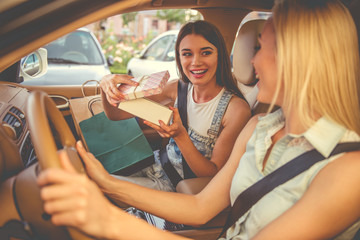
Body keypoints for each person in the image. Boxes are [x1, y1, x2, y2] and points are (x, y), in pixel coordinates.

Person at [37, 0, 360, 239]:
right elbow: (201, 207)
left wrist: (107, 219)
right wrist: (108, 184)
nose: (251, 59)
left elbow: (204, 189)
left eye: (262, 47)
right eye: (186, 54)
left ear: (299, 58)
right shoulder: (260, 127)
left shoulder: (349, 170)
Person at [98, 20, 251, 192]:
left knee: (101, 188)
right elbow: (115, 115)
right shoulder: (177, 88)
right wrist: (106, 85)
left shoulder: (236, 110)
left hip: (175, 185)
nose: (195, 62)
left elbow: (213, 173)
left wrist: (180, 136)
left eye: (206, 52)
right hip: (154, 164)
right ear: (178, 57)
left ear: (220, 55)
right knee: (94, 176)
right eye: (187, 54)